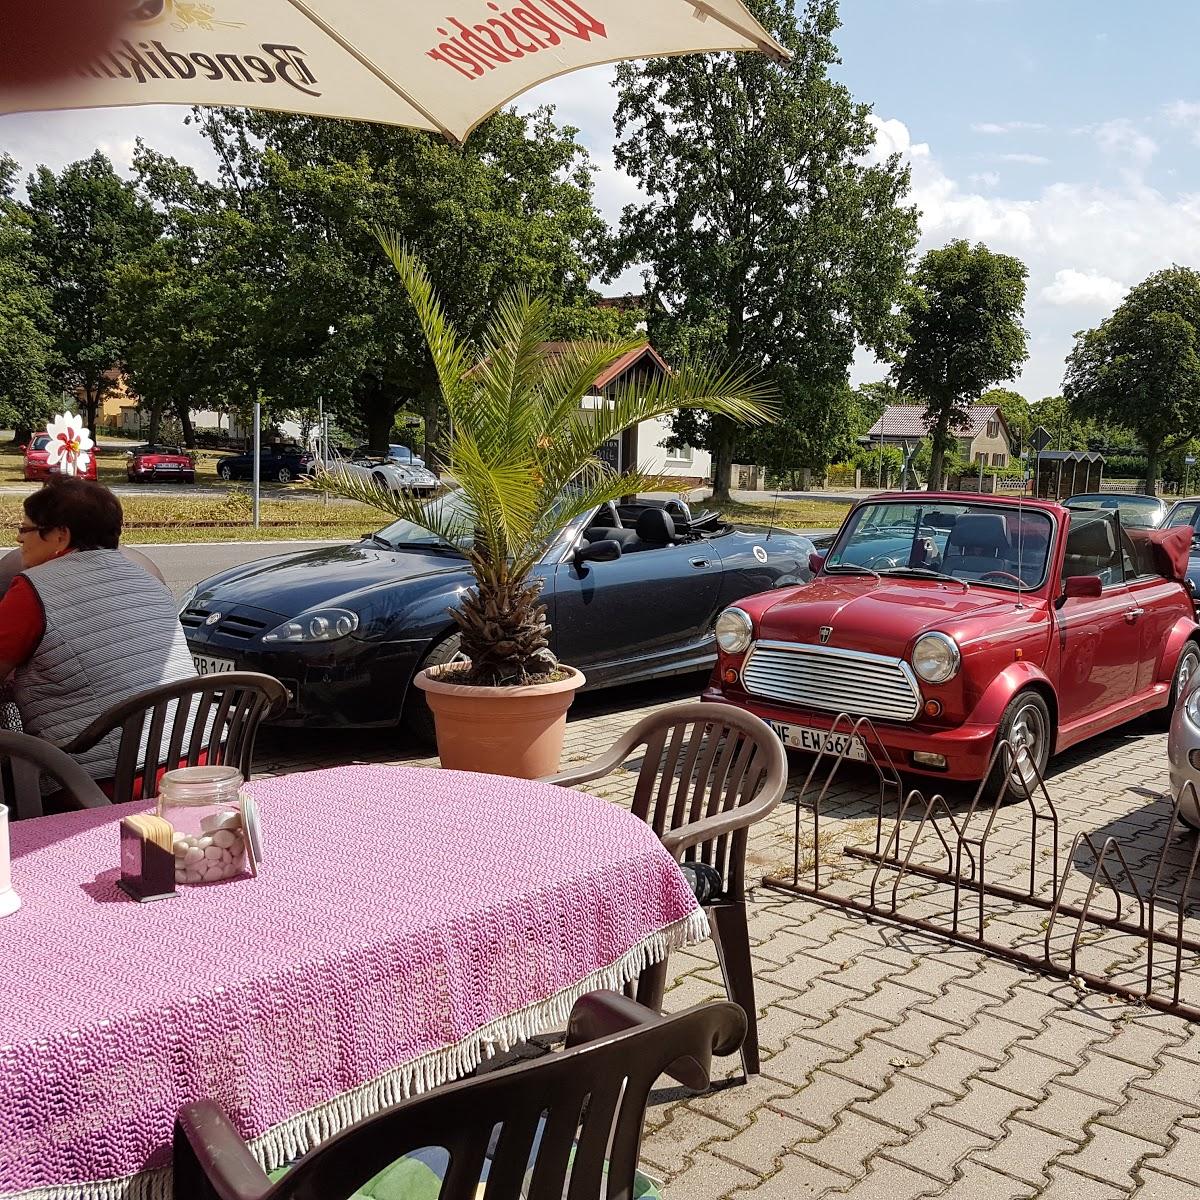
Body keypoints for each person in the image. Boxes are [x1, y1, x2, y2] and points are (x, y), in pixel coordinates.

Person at [0, 477, 197, 783]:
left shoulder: (33, 589)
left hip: (107, 778)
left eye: (26, 529)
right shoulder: (147, 576)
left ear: (60, 536)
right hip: (203, 758)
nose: (18, 539)